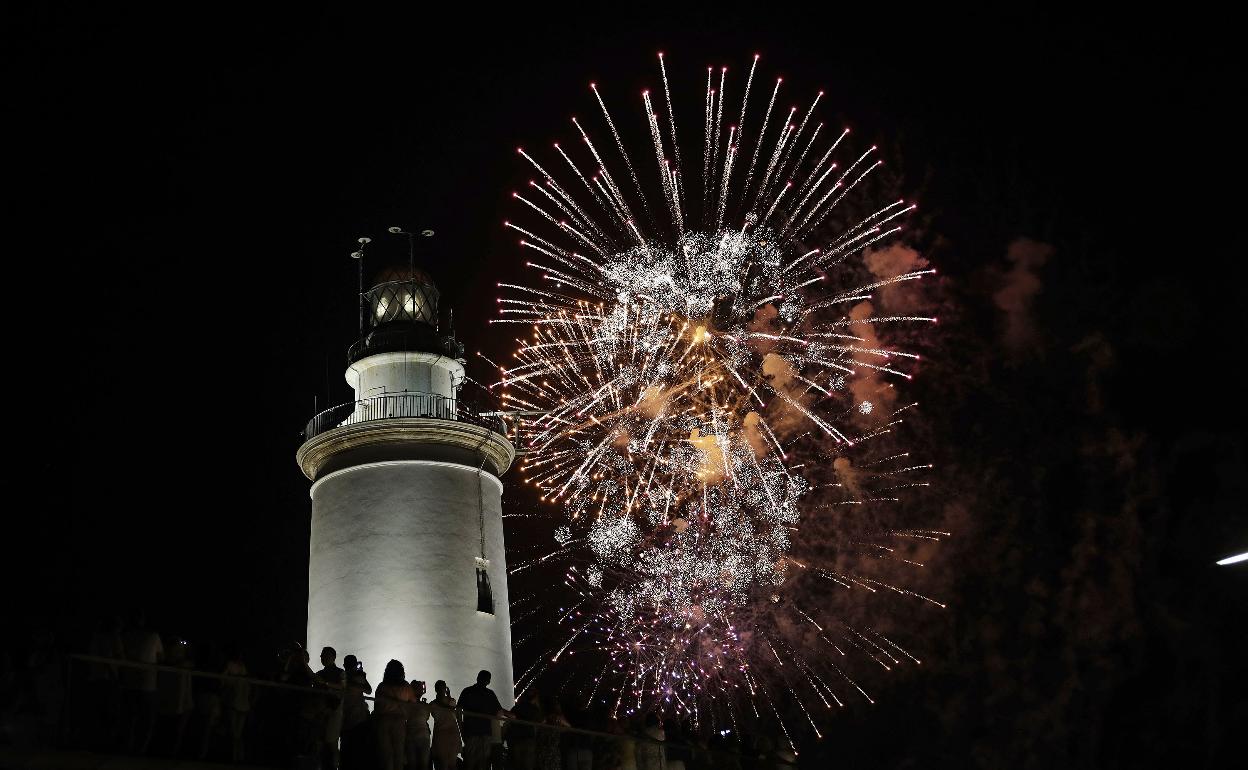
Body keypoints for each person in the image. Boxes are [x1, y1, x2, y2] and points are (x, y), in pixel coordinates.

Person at [120, 610, 163, 755]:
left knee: (130, 717)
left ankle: (128, 747)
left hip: (129, 682)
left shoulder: (127, 635)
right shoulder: (153, 636)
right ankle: (140, 749)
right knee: (146, 719)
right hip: (147, 684)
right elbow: (161, 657)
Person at [457, 670, 514, 770]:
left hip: (473, 732)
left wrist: (461, 727)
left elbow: (458, 710)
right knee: (482, 763)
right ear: (488, 681)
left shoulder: (467, 691)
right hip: (484, 733)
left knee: (472, 762)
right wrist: (511, 716)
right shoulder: (489, 694)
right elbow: (499, 711)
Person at [374, 660, 416, 770]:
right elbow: (413, 703)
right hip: (400, 721)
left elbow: (377, 707)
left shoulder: (382, 686)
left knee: (386, 754)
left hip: (384, 721)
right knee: (399, 753)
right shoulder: (406, 686)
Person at [340, 655, 372, 770]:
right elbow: (368, 690)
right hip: (358, 719)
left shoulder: (342, 676)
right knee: (359, 752)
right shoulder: (355, 677)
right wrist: (362, 677)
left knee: (347, 752)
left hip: (347, 719)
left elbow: (368, 690)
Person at [316, 646, 346, 770]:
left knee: (331, 743)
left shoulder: (339, 672)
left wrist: (325, 684)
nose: (322, 657)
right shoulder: (320, 674)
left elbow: (342, 688)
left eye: (325, 655)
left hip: (334, 710)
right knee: (321, 743)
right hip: (322, 710)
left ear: (333, 657)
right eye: (322, 655)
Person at [222, 644, 251, 764]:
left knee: (238, 732)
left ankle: (238, 756)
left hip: (242, 700)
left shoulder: (242, 667)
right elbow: (224, 680)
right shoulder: (230, 665)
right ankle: (235, 756)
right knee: (235, 731)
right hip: (234, 700)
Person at [508, 688, 543, 770]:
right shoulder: (535, 710)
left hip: (517, 739)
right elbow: (539, 723)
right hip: (528, 740)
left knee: (517, 764)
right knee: (528, 765)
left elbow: (511, 716)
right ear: (535, 698)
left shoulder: (518, 707)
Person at [429, 680, 461, 770]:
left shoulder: (432, 704)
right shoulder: (451, 701)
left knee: (445, 762)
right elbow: (452, 709)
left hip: (442, 734)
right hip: (450, 734)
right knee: (450, 762)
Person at [536, 697, 568, 770]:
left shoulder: (557, 718)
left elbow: (568, 727)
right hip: (547, 749)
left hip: (552, 749)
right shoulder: (545, 717)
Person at [405, 680, 431, 770]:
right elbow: (427, 717)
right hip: (421, 735)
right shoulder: (421, 705)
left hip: (414, 734)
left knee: (414, 763)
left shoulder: (407, 703)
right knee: (421, 764)